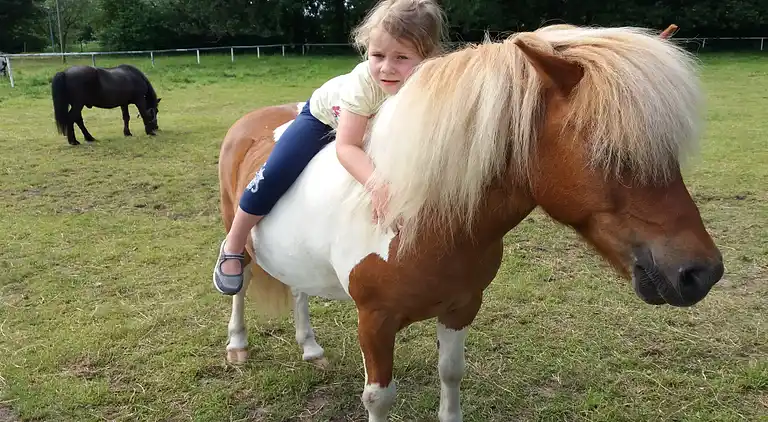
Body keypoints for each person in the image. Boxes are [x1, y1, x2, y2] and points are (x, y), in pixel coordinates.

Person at [213, 0, 448, 295]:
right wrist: (378, 187)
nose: (386, 68)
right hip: (325, 118)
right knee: (274, 173)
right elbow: (347, 146)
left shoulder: (434, 82)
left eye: (401, 57)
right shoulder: (365, 82)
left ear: (429, 57)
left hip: (376, 128)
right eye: (377, 55)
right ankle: (234, 243)